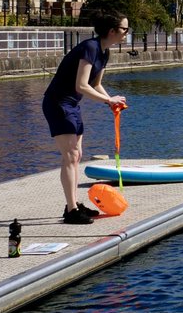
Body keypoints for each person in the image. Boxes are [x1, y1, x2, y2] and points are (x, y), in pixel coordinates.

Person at [41, 12, 130, 225]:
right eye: (125, 29)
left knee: (76, 155)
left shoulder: (104, 52)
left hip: (72, 104)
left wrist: (111, 100)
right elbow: (81, 85)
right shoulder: (90, 48)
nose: (127, 33)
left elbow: (96, 84)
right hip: (58, 103)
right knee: (71, 155)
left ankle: (73, 204)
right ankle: (71, 210)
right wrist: (108, 102)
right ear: (112, 31)